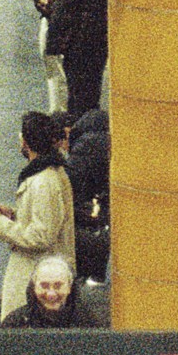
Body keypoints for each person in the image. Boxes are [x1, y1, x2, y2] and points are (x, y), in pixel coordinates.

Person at [0, 110, 76, 323]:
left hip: (36, 269)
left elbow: (42, 235)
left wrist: (0, 223)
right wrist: (13, 215)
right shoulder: (49, 173)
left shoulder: (43, 182)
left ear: (27, 142)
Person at [62, 104, 112, 283]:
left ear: (66, 132)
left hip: (99, 222)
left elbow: (70, 187)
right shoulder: (98, 131)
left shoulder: (83, 147)